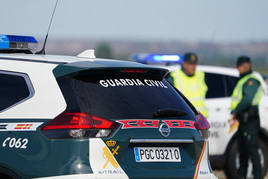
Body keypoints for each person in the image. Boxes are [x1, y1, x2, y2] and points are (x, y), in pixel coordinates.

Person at [229, 56, 263, 179]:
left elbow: (247, 100)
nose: (238, 69)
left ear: (245, 66)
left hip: (250, 121)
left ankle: (257, 176)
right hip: (243, 120)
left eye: (239, 67)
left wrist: (235, 111)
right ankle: (241, 176)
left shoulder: (251, 80)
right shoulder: (244, 79)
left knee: (252, 151)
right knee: (242, 151)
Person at [168, 52, 208, 117]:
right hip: (186, 118)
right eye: (191, 64)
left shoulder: (200, 76)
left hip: (201, 119)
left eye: (195, 64)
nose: (193, 66)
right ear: (184, 64)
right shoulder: (174, 77)